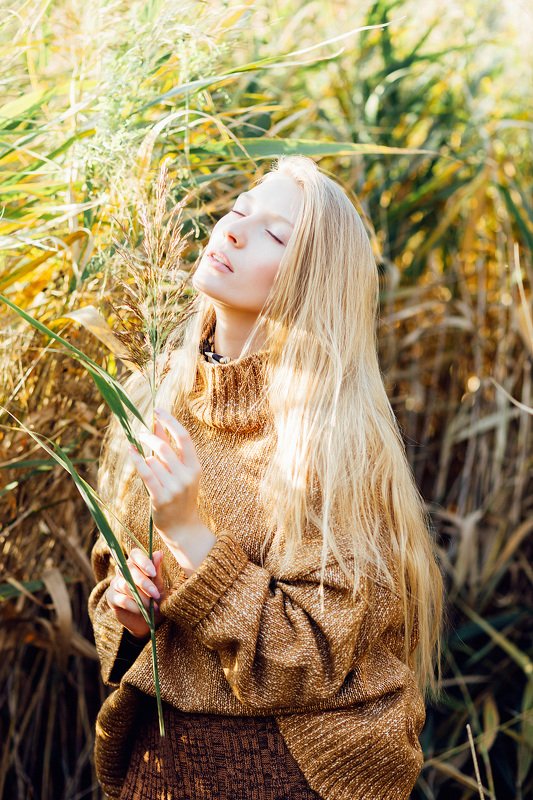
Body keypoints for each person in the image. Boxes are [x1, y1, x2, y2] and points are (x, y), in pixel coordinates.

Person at [88, 155, 444, 800]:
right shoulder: (157, 395)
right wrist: (128, 608)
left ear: (312, 283)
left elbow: (315, 658)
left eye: (275, 235)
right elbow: (113, 591)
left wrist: (193, 536)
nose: (231, 230)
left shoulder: (334, 439)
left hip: (288, 773)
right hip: (157, 767)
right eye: (240, 210)